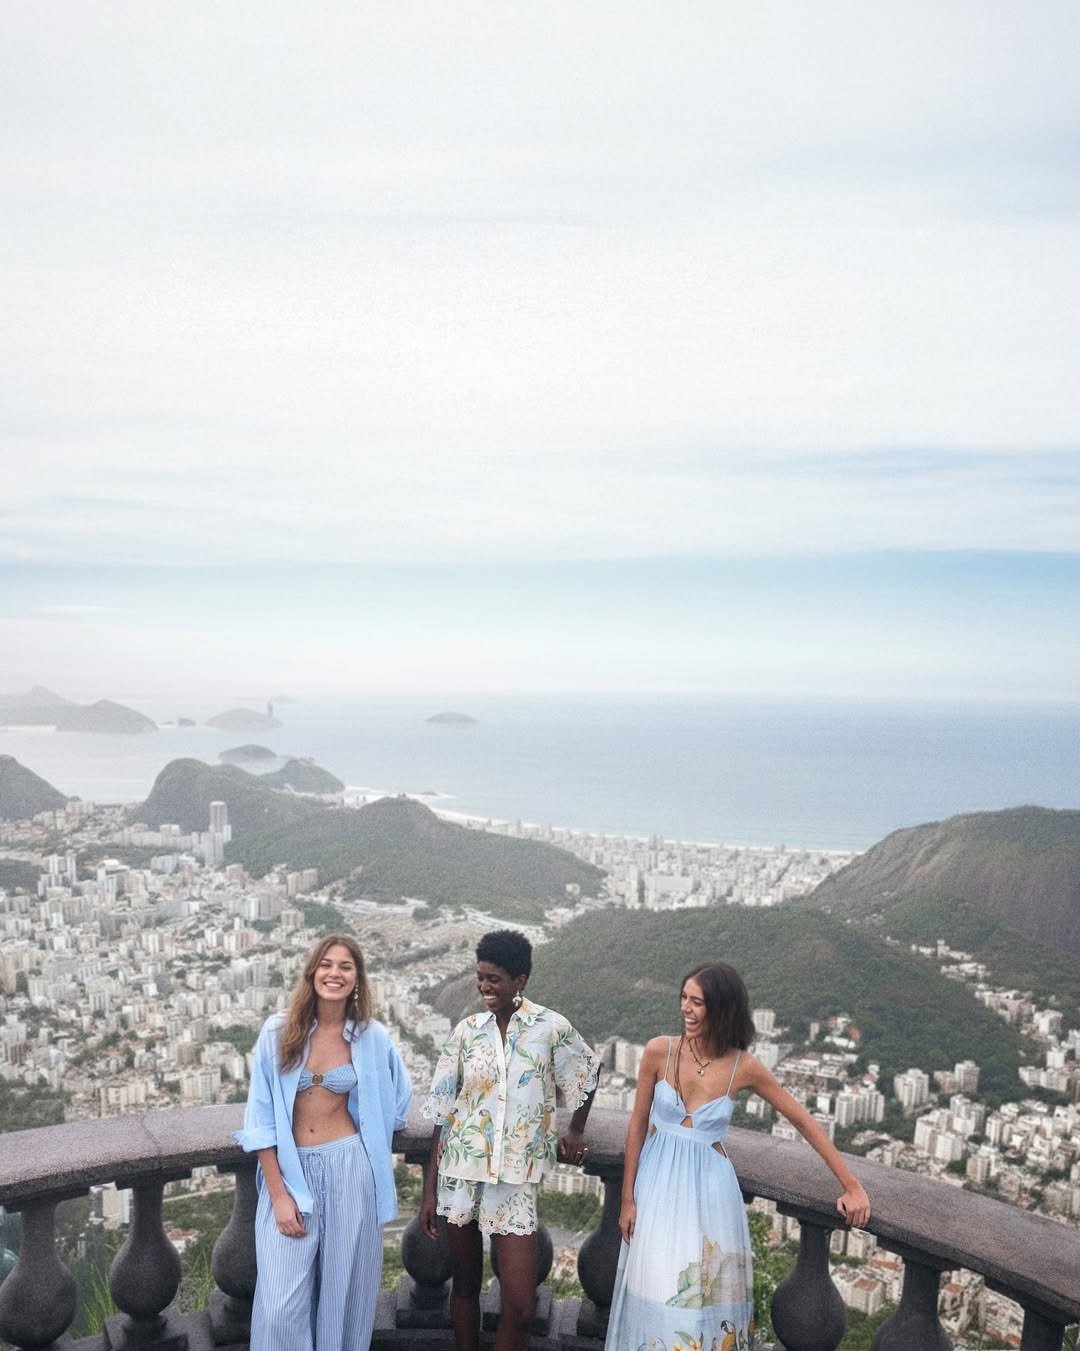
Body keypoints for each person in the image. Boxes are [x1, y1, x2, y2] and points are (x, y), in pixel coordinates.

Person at [606, 962, 871, 1351]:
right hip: (657, 1187)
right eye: (684, 998)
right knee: (655, 1292)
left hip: (710, 1196)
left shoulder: (743, 1067)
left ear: (721, 1008)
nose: (686, 1008)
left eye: (697, 1002)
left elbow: (803, 1121)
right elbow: (637, 1124)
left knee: (699, 1303)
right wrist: (627, 1198)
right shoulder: (658, 1051)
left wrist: (851, 1184)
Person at [420, 929, 601, 1351]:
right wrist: (430, 1190)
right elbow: (443, 1114)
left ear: (519, 979)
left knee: (519, 1305)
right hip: (460, 1173)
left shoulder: (549, 1028)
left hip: (516, 1179)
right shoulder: (467, 1032)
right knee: (464, 1284)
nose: (484, 986)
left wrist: (575, 1129)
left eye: (494, 979)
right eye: (480, 977)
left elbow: (589, 1073)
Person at [234, 933, 412, 1351]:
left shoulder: (371, 1037)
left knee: (343, 1298)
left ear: (357, 979)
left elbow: (399, 1096)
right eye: (327, 964)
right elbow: (260, 1119)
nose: (335, 973)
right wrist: (278, 1195)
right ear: (313, 971)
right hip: (291, 1174)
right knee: (280, 1309)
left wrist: (374, 1133)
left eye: (345, 966)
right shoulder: (277, 1032)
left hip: (351, 1170)